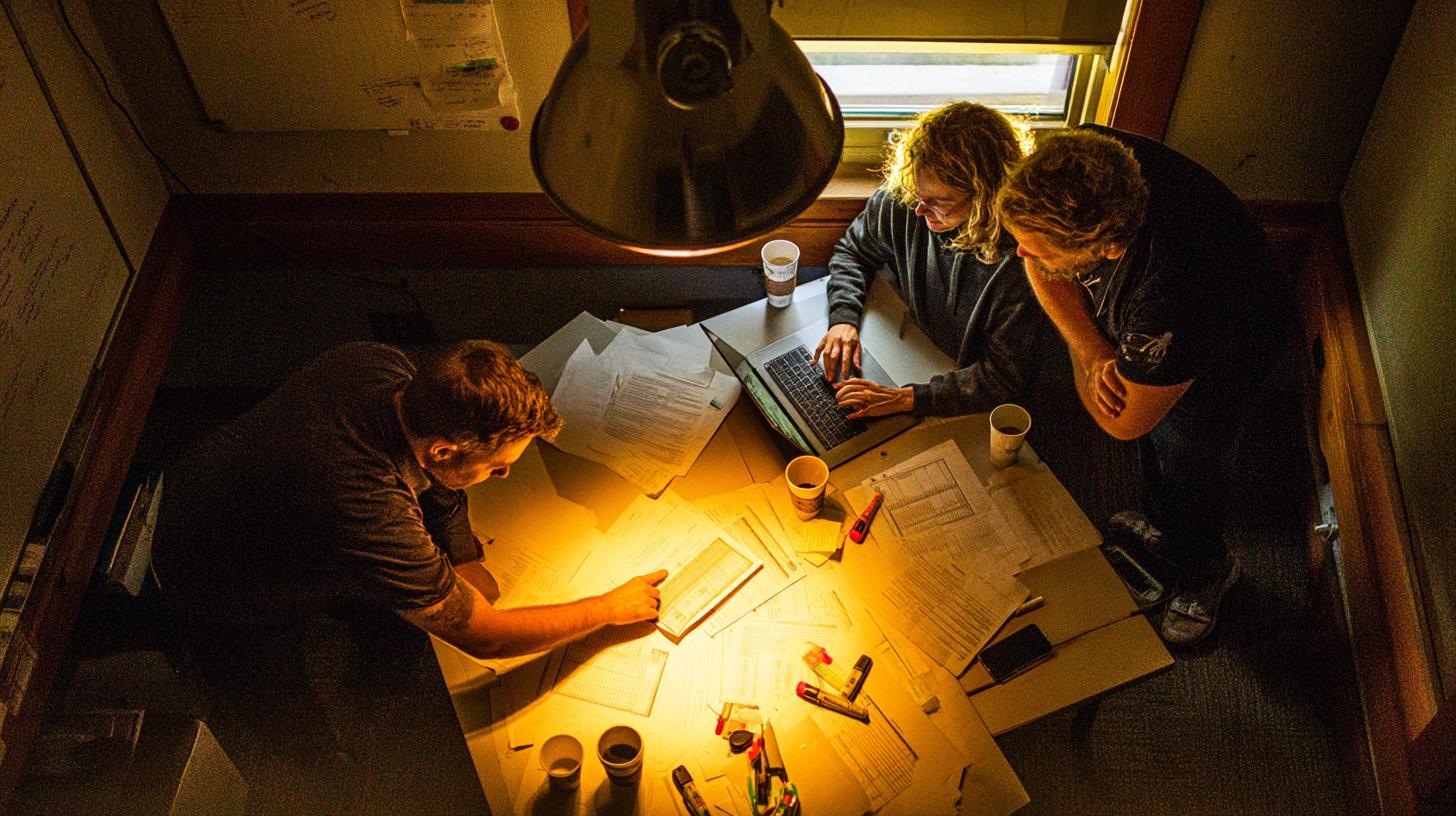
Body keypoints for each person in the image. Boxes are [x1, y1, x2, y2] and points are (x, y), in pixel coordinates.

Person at [151, 340, 667, 812]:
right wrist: (606, 609)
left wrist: (463, 556)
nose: (505, 475)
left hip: (234, 482)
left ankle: (373, 681)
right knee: (285, 721)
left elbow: (439, 485)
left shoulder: (384, 369)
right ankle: (329, 783)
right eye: (497, 467)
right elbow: (485, 637)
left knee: (386, 620)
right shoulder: (367, 509)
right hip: (218, 575)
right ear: (443, 450)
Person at [996, 126, 1288, 646]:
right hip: (1156, 333)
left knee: (1189, 463)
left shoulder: (1172, 290)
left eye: (1035, 248)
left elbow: (1124, 420)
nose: (1018, 254)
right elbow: (1046, 276)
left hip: (1229, 352)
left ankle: (1207, 568)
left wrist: (1095, 364)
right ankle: (1165, 532)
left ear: (1107, 249)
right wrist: (1091, 348)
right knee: (1157, 457)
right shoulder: (1081, 158)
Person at [814, 101, 1048, 418]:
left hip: (957, 390)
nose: (920, 210)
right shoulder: (906, 199)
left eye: (940, 203)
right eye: (918, 194)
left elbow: (1002, 380)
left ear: (986, 199)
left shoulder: (1021, 267)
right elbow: (855, 251)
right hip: (901, 343)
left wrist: (909, 399)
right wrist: (843, 318)